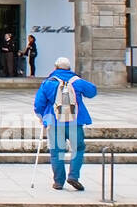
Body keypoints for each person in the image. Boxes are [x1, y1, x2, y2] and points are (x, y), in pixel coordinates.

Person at [34, 57, 97, 191]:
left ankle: (58, 182)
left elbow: (38, 104)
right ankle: (73, 176)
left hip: (55, 121)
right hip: (74, 121)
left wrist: (41, 117)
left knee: (57, 151)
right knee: (78, 149)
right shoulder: (76, 81)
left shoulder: (48, 82)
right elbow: (92, 91)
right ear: (69, 68)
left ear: (55, 68)